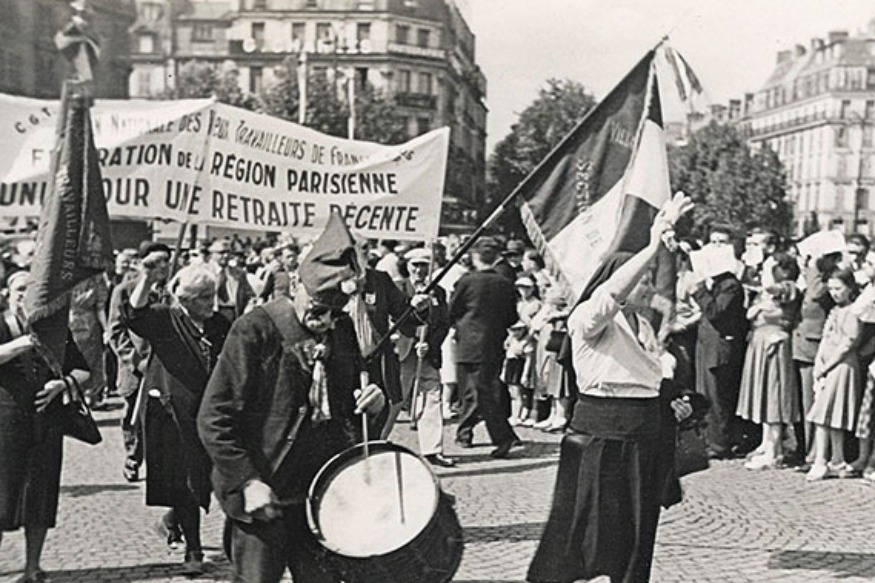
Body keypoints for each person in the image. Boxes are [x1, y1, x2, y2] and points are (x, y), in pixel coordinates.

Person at [197, 213, 385, 583]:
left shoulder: (342, 330)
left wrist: (373, 402)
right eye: (318, 311)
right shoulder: (255, 329)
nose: (327, 323)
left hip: (321, 495)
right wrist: (248, 481)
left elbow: (348, 408)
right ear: (297, 284)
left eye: (335, 313)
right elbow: (213, 418)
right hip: (265, 491)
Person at [527, 192, 694, 583]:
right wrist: (653, 242)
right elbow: (612, 295)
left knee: (635, 529)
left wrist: (671, 407)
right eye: (641, 277)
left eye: (648, 278)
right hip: (599, 433)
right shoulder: (590, 317)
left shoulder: (645, 326)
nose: (647, 283)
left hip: (642, 433)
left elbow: (646, 380)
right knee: (582, 526)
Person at [121, 258, 231, 575]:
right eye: (204, 298)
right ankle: (193, 551)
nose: (212, 304)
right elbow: (134, 315)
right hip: (172, 414)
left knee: (205, 479)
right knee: (186, 482)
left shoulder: (217, 324)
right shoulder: (164, 319)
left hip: (209, 412)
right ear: (185, 300)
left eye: (212, 296)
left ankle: (172, 520)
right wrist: (146, 277)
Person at [0, 271, 91, 583]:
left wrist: (61, 384)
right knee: (2, 494)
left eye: (31, 290)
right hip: (5, 419)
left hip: (45, 419)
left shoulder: (53, 329)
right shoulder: (2, 324)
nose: (24, 295)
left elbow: (83, 371)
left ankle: (32, 567)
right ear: (7, 292)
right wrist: (22, 344)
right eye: (19, 288)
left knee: (40, 494)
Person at [451, 236, 521, 458]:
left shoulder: (467, 281)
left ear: (475, 256)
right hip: (493, 345)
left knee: (476, 392)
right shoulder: (504, 283)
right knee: (484, 390)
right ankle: (469, 432)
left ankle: (498, 436)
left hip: (468, 345)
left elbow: (452, 310)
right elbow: (511, 317)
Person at [107, 242, 171, 484]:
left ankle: (162, 465)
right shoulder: (125, 290)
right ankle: (133, 458)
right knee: (135, 418)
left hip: (166, 367)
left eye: (165, 261)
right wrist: (136, 361)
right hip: (138, 368)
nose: (162, 267)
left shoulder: (172, 290)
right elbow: (116, 331)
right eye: (155, 262)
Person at [737, 259, 801, 470]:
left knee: (774, 395)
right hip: (760, 345)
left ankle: (774, 452)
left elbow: (776, 289)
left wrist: (763, 273)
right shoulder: (768, 297)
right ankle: (768, 444)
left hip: (775, 346)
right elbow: (750, 313)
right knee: (763, 394)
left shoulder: (789, 288)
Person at [396, 247, 455, 467]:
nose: (419, 270)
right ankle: (378, 442)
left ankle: (432, 449)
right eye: (415, 265)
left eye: (424, 265)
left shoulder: (438, 291)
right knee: (396, 398)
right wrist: (412, 337)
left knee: (432, 397)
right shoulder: (399, 288)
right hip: (403, 351)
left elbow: (443, 322)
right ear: (407, 266)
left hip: (428, 353)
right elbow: (395, 319)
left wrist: (429, 344)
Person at [693, 238, 751, 459]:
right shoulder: (720, 284)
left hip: (719, 348)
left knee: (718, 397)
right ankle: (712, 439)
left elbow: (716, 311)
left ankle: (720, 443)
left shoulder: (730, 285)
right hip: (708, 345)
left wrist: (699, 291)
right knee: (708, 393)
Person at [806, 267, 862, 481]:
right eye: (831, 289)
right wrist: (819, 362)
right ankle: (837, 459)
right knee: (829, 413)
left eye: (838, 288)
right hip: (827, 366)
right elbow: (826, 339)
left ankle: (821, 459)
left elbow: (847, 344)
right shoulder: (834, 311)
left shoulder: (853, 311)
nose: (834, 293)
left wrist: (826, 365)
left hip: (841, 367)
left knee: (823, 415)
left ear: (849, 288)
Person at [208, 238, 255, 322]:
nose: (226, 256)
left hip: (233, 313)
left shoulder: (238, 273)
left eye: (228, 252)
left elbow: (250, 295)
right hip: (212, 313)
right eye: (221, 253)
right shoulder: (205, 272)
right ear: (212, 254)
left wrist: (248, 310)